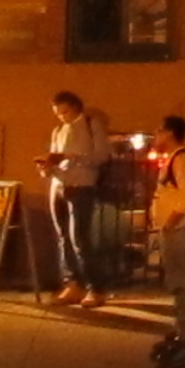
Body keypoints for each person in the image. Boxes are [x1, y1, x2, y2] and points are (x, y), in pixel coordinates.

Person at [34, 90, 108, 308]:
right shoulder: (58, 130)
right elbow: (55, 157)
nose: (61, 117)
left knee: (80, 239)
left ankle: (96, 287)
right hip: (58, 185)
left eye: (65, 112)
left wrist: (70, 157)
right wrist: (47, 167)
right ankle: (73, 283)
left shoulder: (90, 124)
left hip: (81, 185)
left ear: (76, 107)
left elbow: (101, 156)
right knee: (63, 237)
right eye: (58, 113)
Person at [149, 115, 185, 368]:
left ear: (170, 133)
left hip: (177, 230)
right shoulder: (171, 159)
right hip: (170, 229)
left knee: (183, 284)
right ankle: (181, 334)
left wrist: (170, 223)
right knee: (176, 283)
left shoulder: (183, 159)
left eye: (159, 131)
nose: (156, 136)